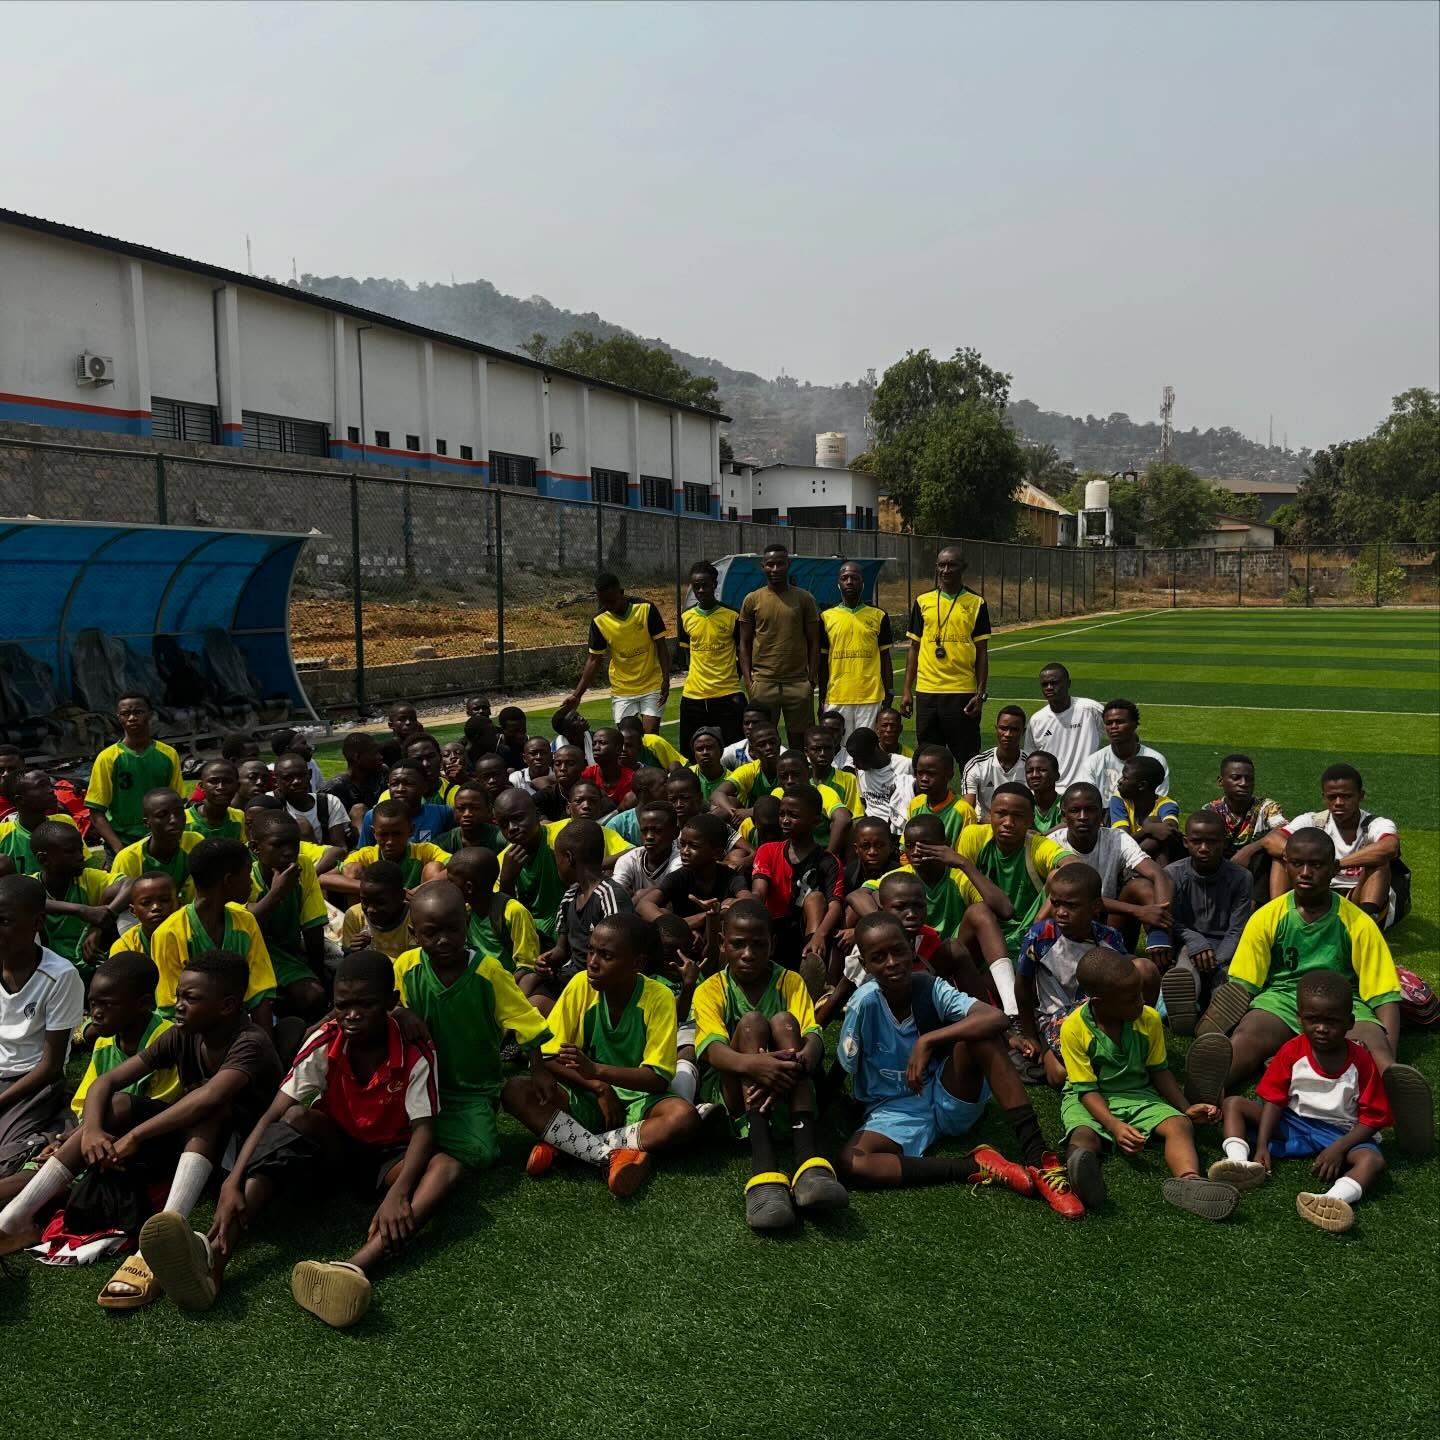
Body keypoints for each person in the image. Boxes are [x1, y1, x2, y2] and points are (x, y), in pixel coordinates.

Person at [150, 948, 460, 1325]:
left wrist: (398, 1193)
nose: (353, 1015)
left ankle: (353, 1267)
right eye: (343, 1005)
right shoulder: (326, 1038)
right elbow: (274, 1113)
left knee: (445, 1167)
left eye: (366, 1004)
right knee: (299, 1116)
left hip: (388, 1158)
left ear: (392, 1003)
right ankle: (214, 1256)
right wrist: (235, 1179)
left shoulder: (415, 1049)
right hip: (335, 1150)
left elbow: (424, 1130)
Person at [0, 950, 282, 1309]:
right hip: (199, 1154)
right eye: (178, 995)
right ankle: (14, 1219)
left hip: (245, 1157)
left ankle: (165, 1238)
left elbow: (210, 1098)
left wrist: (135, 1136)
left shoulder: (251, 1042)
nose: (177, 1006)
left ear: (227, 1005)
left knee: (209, 1109)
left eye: (190, 999)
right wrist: (92, 1131)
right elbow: (106, 1082)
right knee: (115, 1105)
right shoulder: (184, 1034)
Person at [1185, 828, 1433, 1157]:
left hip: (1342, 1004)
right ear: (1285, 865)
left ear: (1334, 869)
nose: (1305, 873)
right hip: (1283, 998)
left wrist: (1390, 1051)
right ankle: (1207, 1087)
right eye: (1297, 864)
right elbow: (1244, 983)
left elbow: (1383, 995)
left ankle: (1398, 1097)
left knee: (1375, 1048)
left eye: (1316, 865)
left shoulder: (1357, 922)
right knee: (1248, 1035)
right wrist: (1222, 1016)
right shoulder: (1267, 918)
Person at [837, 911, 1082, 1215]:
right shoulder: (864, 1004)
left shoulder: (928, 987)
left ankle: (1038, 1156)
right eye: (878, 957)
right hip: (894, 1110)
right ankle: (972, 1165)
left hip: (948, 1092)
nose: (891, 962)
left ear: (912, 947)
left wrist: (930, 1040)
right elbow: (843, 1067)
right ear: (865, 965)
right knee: (854, 1163)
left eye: (898, 951)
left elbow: (995, 1018)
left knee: (981, 1034)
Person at [505, 913, 699, 1196]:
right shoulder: (581, 984)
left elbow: (656, 1079)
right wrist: (597, 1086)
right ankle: (608, 1155)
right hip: (588, 1095)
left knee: (683, 1118)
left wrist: (597, 1071)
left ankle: (570, 1144)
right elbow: (548, 1054)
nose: (592, 962)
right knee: (514, 1091)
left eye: (606, 955)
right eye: (592, 951)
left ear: (637, 964)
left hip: (640, 1101)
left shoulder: (659, 998)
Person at [691, 900, 849, 1230]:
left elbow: (814, 1036)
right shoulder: (711, 989)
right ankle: (764, 1168)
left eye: (758, 944)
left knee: (785, 1022)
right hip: (736, 1100)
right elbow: (711, 1051)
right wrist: (755, 1064)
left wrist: (802, 1059)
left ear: (772, 945)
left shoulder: (790, 981)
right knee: (750, 1024)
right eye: (737, 944)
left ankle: (808, 1161)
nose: (748, 953)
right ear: (723, 944)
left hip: (788, 1086)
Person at [1207, 970, 1390, 1233]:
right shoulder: (1292, 1050)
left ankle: (1334, 1200)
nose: (1322, 1028)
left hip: (1340, 1132)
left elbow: (1373, 1119)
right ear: (1299, 1018)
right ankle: (1240, 1162)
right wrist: (1261, 1146)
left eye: (1332, 1022)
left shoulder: (1362, 1061)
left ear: (1350, 1022)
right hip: (1292, 1122)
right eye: (1313, 1020)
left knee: (1372, 1160)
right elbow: (1274, 1099)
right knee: (1234, 1103)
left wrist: (1339, 1148)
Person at [1059, 947, 1236, 1219]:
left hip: (1139, 1095)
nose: (1141, 1002)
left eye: (1141, 992)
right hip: (1090, 1099)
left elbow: (1159, 1071)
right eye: (1131, 998)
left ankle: (1190, 1182)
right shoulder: (1073, 1028)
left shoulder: (1148, 1019)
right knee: (1084, 1136)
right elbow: (1085, 1089)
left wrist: (1184, 1107)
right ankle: (1082, 1174)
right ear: (1099, 1001)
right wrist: (1114, 1125)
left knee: (1179, 1125)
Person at [394, 882, 553, 1170]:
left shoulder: (488, 971)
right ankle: (424, 1140)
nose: (443, 940)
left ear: (466, 924)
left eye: (452, 929)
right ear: (413, 934)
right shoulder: (406, 966)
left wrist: (538, 1069)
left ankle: (423, 1144)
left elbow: (525, 1020)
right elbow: (385, 1006)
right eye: (431, 932)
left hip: (474, 1090)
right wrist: (400, 1012)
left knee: (482, 1153)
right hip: (420, 1084)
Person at [1016, 863, 1133, 1088]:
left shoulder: (1110, 939)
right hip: (1056, 1019)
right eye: (1056, 903)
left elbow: (1126, 983)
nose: (1060, 912)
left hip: (1101, 1015)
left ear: (1095, 907)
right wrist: (1030, 1034)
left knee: (1143, 968)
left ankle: (1131, 1046)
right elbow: (1022, 984)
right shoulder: (1040, 936)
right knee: (1059, 1076)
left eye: (1071, 906)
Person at [0, 875, 84, 1180]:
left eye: (5, 922)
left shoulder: (60, 976)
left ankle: (48, 1132)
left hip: (32, 1080)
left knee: (6, 1161)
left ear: (36, 923)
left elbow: (49, 1066)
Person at [149, 838, 276, 1029]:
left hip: (238, 1026)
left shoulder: (245, 920)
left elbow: (260, 994)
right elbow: (173, 1010)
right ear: (229, 881)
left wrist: (262, 1049)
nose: (251, 882)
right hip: (191, 1034)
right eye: (247, 874)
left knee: (291, 1027)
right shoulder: (169, 934)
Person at [1049, 781, 1174, 958]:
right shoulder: (1053, 844)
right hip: (1067, 921)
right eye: (1075, 810)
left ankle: (1161, 949)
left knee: (1142, 886)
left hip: (1109, 920)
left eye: (1090, 810)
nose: (1083, 816)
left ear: (1102, 814)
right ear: (1064, 815)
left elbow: (1158, 874)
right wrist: (1138, 911)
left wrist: (1159, 924)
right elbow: (1080, 899)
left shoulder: (1117, 839)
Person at [1268, 763, 1401, 927]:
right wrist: (1300, 858)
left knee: (1379, 861)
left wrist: (1337, 865)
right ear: (1324, 797)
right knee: (1281, 857)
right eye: (1332, 797)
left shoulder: (1376, 824)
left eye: (1346, 796)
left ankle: (1365, 925)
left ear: (1361, 796)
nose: (1338, 802)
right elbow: (1272, 840)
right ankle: (1278, 918)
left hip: (1357, 894)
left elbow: (1390, 847)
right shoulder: (1313, 820)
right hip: (1317, 889)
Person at [1159, 811, 1253, 1036]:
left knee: (1226, 987)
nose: (1204, 848)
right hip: (1189, 945)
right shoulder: (1172, 874)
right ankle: (1180, 1012)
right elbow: (1171, 920)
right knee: (1186, 977)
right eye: (1197, 841)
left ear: (1224, 842)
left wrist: (1217, 961)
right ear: (1185, 842)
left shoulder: (1241, 878)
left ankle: (1212, 1019)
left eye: (1212, 842)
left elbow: (1237, 929)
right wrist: (1196, 941)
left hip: (1227, 950)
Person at [901, 546, 991, 769]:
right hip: (927, 692)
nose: (946, 570)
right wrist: (906, 691)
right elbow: (914, 647)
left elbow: (982, 651)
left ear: (963, 568)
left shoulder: (976, 603)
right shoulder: (923, 601)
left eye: (952, 565)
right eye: (941, 565)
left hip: (961, 692)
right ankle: (931, 803)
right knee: (929, 758)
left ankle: (971, 803)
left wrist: (980, 694)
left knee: (968, 758)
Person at [750, 784, 843, 995]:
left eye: (793, 815)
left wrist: (819, 935)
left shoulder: (829, 861)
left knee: (816, 898)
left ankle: (813, 964)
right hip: (775, 928)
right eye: (782, 814)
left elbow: (835, 905)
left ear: (815, 820)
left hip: (808, 932)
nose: (784, 820)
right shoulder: (768, 851)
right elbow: (759, 891)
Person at [533, 820, 632, 1013]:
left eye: (557, 859)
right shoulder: (570, 896)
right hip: (570, 977)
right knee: (533, 1006)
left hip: (601, 982)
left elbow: (622, 952)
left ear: (569, 858)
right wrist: (547, 960)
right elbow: (562, 950)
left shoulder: (609, 896)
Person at [69, 952, 180, 1121]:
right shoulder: (104, 1043)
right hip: (107, 1129)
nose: (96, 1014)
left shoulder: (167, 1039)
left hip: (154, 1130)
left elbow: (162, 1109)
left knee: (117, 1103)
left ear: (143, 1004)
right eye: (92, 1004)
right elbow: (84, 1102)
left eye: (107, 1004)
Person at [246, 810, 328, 1024]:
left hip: (289, 954)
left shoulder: (304, 866)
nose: (289, 852)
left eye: (294, 844)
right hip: (255, 954)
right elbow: (246, 926)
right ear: (256, 848)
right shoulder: (246, 876)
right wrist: (277, 893)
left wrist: (317, 972)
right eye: (279, 845)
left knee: (317, 993)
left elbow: (313, 926)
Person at [739, 543, 821, 746]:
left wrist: (811, 679)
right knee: (763, 741)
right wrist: (749, 680)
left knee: (800, 742)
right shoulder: (752, 599)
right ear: (763, 566)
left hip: (797, 682)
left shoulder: (804, 598)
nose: (775, 569)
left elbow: (814, 641)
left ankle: (799, 777)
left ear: (788, 564)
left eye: (780, 564)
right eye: (770, 564)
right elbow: (744, 643)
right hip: (764, 681)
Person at [566, 572, 670, 732]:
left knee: (650, 738)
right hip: (622, 689)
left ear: (621, 593)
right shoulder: (599, 620)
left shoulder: (645, 608)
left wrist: (666, 679)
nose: (608, 606)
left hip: (652, 685)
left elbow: (661, 646)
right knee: (626, 738)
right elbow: (594, 659)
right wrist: (577, 694)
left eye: (611, 601)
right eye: (603, 602)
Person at [85, 692, 183, 853]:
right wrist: (118, 848)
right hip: (122, 842)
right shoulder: (107, 758)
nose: (132, 718)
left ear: (150, 715)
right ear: (118, 717)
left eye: (138, 712)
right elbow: (96, 813)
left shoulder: (168, 754)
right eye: (125, 714)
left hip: (161, 840)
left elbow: (178, 803)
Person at [634, 813, 746, 936]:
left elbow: (750, 900)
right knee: (663, 913)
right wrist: (695, 921)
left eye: (694, 846)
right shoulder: (678, 877)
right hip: (684, 938)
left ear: (717, 853)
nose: (684, 851)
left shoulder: (731, 878)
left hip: (719, 940)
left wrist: (721, 911)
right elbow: (643, 905)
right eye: (682, 844)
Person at [677, 559, 745, 755]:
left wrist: (734, 675)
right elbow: (688, 653)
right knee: (691, 753)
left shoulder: (732, 615)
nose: (700, 590)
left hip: (727, 694)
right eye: (696, 586)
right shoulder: (686, 617)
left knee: (733, 751)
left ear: (714, 585)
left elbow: (742, 653)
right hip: (694, 696)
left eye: (704, 585)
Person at [819, 559, 893, 737]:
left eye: (855, 578)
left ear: (863, 582)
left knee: (866, 749)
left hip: (870, 697)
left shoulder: (879, 616)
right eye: (845, 578)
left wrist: (889, 693)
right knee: (837, 750)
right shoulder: (825, 617)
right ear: (838, 584)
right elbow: (822, 662)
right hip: (837, 696)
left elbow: (885, 657)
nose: (849, 582)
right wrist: (822, 697)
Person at [445, 847, 539, 975]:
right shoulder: (466, 913)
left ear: (469, 887)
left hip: (510, 981)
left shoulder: (513, 912)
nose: (447, 887)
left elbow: (527, 965)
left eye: (450, 882)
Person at [494, 789, 564, 946]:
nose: (511, 828)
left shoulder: (564, 834)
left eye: (518, 818)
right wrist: (507, 880)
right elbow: (507, 920)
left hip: (569, 920)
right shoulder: (501, 862)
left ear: (537, 814)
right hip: (532, 932)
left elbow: (628, 853)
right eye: (504, 825)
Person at [108, 789, 205, 903]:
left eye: (179, 812)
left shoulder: (195, 842)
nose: (173, 820)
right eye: (162, 815)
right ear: (146, 822)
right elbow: (118, 903)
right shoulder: (128, 858)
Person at [339, 800, 451, 896]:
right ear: (374, 832)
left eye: (397, 834)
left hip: (416, 908)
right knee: (352, 869)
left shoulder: (425, 851)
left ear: (411, 830)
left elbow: (458, 866)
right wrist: (380, 889)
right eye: (383, 835)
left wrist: (417, 891)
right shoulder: (366, 855)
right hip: (375, 911)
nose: (390, 841)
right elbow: (325, 877)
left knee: (434, 867)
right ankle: (360, 920)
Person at [1022, 664, 1104, 789]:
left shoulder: (1090, 709)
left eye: (1054, 683)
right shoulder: (1037, 720)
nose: (1049, 687)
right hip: (1052, 792)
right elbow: (1030, 758)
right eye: (1045, 684)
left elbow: (1120, 735)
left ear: (1068, 683)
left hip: (1087, 788)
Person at [1074, 699, 1170, 806]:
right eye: (1109, 723)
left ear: (1134, 725)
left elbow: (1159, 801)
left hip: (1144, 819)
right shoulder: (1093, 762)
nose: (1113, 727)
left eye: (1119, 722)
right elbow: (1088, 801)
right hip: (1103, 819)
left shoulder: (1155, 760)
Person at [1202, 754, 1287, 871]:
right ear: (1220, 781)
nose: (1244, 783)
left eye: (1249, 779)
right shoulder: (1211, 810)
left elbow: (1283, 829)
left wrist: (1249, 850)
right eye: (1236, 778)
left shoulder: (1266, 807)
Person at [357, 761, 454, 847]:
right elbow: (363, 854)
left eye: (409, 784)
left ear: (424, 786)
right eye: (394, 784)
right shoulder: (373, 816)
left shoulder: (443, 813)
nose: (400, 789)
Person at [0, 772, 79, 877]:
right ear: (20, 799)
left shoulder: (64, 821)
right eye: (41, 786)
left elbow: (85, 866)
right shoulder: (3, 833)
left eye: (49, 785)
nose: (51, 791)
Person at [1108, 756, 1183, 864]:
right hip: (1124, 856)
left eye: (1125, 778)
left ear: (1142, 785)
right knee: (1155, 828)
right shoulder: (1119, 799)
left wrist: (1151, 828)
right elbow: (1122, 841)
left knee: (1157, 827)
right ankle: (1161, 874)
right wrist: (1147, 830)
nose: (1119, 781)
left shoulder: (1167, 805)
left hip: (1136, 857)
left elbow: (1168, 832)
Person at [843, 727, 914, 835]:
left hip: (899, 828)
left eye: (859, 758)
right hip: (871, 827)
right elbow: (864, 801)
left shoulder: (905, 765)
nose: (855, 763)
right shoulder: (861, 770)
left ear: (874, 749)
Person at [961, 706, 1028, 821]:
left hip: (1020, 825)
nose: (1008, 734)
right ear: (996, 729)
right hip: (985, 824)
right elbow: (967, 810)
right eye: (1003, 728)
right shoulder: (977, 765)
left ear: (1023, 731)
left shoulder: (1032, 766)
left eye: (1014, 729)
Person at [341, 859, 415, 960]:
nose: (370, 909)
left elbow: (415, 962)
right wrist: (353, 951)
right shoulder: (354, 915)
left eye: (380, 903)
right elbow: (348, 962)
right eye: (365, 901)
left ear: (401, 896)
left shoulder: (413, 918)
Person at [321, 732, 387, 842]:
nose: (380, 757)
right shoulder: (334, 789)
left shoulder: (382, 773)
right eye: (375, 753)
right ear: (357, 757)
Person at [906, 745, 977, 847]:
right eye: (920, 773)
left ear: (949, 775)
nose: (924, 778)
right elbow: (907, 846)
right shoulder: (915, 804)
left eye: (931, 774)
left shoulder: (964, 811)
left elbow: (966, 854)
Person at [273, 753, 349, 848]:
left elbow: (340, 847)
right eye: (288, 778)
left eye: (301, 775)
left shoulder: (329, 802)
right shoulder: (271, 803)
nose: (297, 781)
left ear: (310, 775)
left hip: (327, 859)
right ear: (276, 780)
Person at [614, 801, 682, 896]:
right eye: (644, 831)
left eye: (658, 831)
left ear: (675, 833)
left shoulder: (680, 862)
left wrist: (638, 895)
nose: (649, 836)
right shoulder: (629, 859)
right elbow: (615, 895)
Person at [108, 871, 177, 958]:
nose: (156, 907)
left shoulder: (190, 935)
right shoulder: (124, 947)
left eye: (165, 900)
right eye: (146, 903)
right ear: (134, 911)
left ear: (179, 904)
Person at [803, 724, 863, 819]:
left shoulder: (848, 779)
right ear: (806, 752)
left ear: (834, 750)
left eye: (828, 748)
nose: (822, 754)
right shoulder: (800, 779)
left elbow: (855, 817)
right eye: (816, 749)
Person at [438, 779, 506, 856]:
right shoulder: (444, 842)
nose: (467, 814)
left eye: (475, 808)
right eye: (461, 808)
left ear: (489, 810)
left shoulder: (502, 838)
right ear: (454, 811)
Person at [185, 760, 246, 842]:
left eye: (228, 781)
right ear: (201, 786)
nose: (221, 787)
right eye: (213, 781)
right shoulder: (184, 820)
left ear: (237, 786)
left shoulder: (239, 817)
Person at [581, 727, 637, 809]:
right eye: (594, 744)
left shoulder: (631, 779)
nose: (596, 748)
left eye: (602, 743)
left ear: (618, 749)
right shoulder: (586, 774)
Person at [617, 715, 684, 772]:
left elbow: (680, 765)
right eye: (620, 743)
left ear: (642, 736)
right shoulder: (613, 747)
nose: (623, 749)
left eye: (630, 745)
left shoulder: (654, 742)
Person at [269, 726, 324, 794]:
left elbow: (320, 790)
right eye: (303, 743)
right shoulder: (270, 772)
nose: (309, 747)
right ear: (287, 749)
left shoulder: (310, 763)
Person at [720, 701, 774, 769]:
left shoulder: (781, 755)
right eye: (746, 723)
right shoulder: (733, 752)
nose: (750, 727)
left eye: (755, 722)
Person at [1024, 751, 1064, 834]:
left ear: (1057, 775)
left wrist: (1042, 836)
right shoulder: (1024, 805)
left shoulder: (1065, 803)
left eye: (1042, 770)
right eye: (1029, 771)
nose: (1035, 775)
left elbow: (1069, 824)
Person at [381, 702, 425, 767]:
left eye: (413, 719)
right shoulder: (386, 749)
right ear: (391, 725)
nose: (408, 722)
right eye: (402, 719)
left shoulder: (422, 744)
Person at [495, 706, 529, 771]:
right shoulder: (493, 745)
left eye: (522, 730)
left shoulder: (531, 745)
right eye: (513, 731)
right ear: (502, 730)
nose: (520, 735)